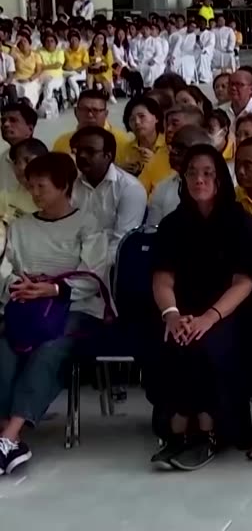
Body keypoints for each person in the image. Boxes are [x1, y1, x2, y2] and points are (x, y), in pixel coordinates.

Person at [147, 145, 252, 471]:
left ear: (220, 180)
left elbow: (244, 283)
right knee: (170, 340)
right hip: (182, 311)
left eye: (207, 173)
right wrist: (172, 315)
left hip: (230, 312)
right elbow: (162, 280)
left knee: (209, 345)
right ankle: (176, 429)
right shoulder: (172, 225)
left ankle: (208, 429)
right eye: (191, 173)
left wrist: (207, 318)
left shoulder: (241, 223)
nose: (198, 179)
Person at [0, 153, 110, 474]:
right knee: (5, 345)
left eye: (42, 186)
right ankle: (7, 430)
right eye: (31, 186)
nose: (35, 193)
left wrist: (55, 290)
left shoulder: (88, 224)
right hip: (28, 306)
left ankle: (10, 434)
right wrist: (20, 286)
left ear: (63, 187)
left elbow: (94, 275)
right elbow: (6, 270)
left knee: (50, 348)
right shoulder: (20, 226)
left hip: (76, 308)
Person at [69, 126, 147, 254]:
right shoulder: (71, 184)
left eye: (90, 151)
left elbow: (122, 242)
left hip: (110, 263)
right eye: (79, 150)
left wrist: (89, 267)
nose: (82, 155)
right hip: (73, 257)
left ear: (108, 156)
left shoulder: (130, 188)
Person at [51, 90, 131, 155]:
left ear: (106, 114)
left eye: (96, 110)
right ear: (76, 112)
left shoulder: (122, 142)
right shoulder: (62, 143)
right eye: (85, 110)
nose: (90, 115)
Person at [0, 102, 37, 193]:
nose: (6, 125)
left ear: (30, 129)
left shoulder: (43, 157)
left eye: (13, 120)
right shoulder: (3, 158)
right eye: (3, 121)